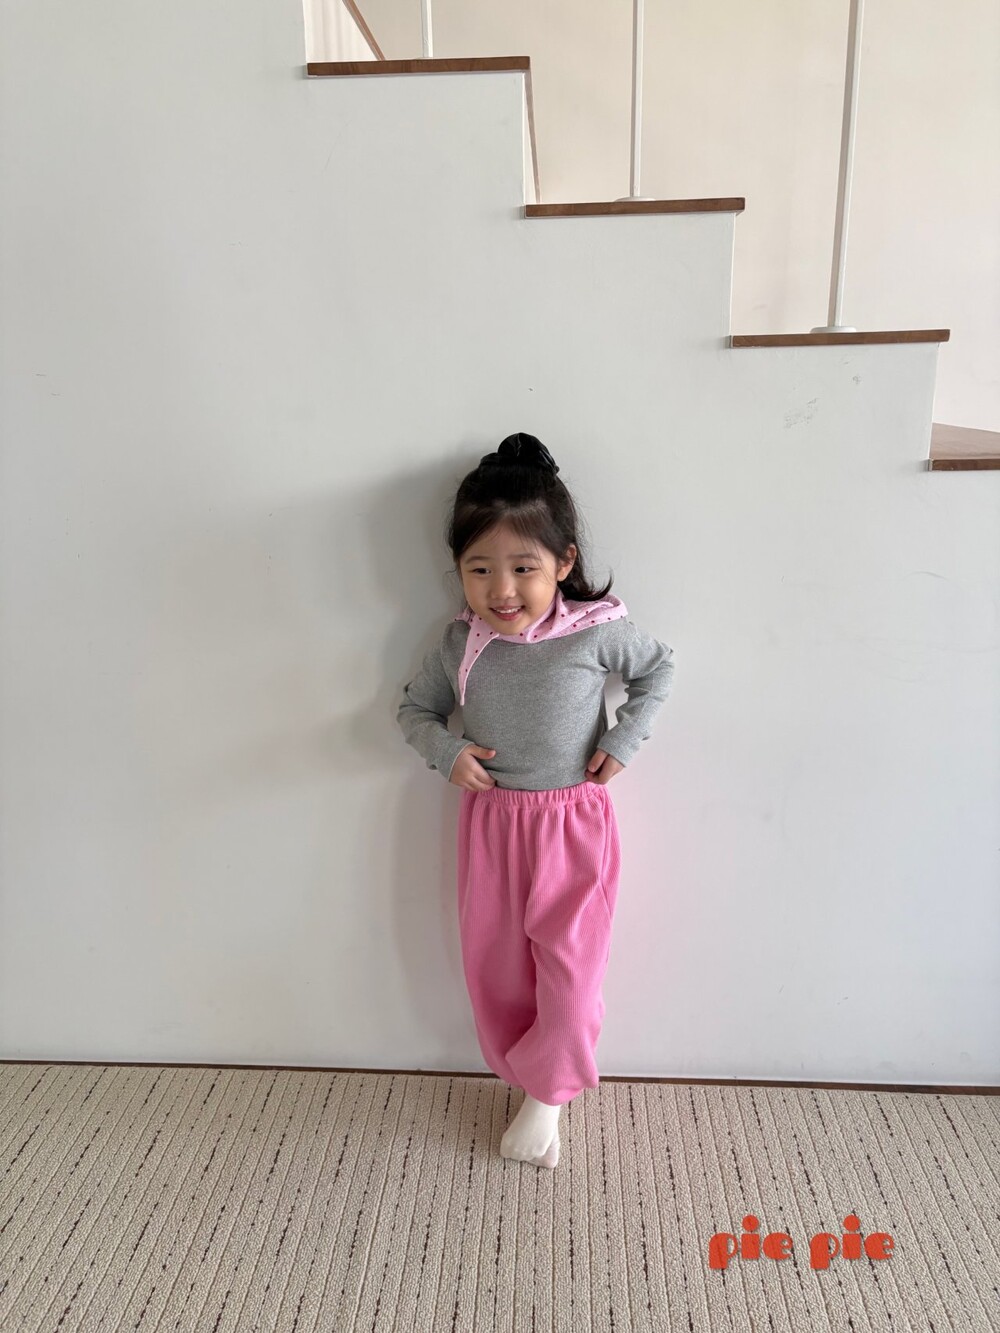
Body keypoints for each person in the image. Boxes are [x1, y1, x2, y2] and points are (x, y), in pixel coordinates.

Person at [397, 432, 675, 1169]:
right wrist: (446, 752)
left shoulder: (594, 633)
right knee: (496, 970)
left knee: (571, 974)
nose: (503, 590)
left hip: (573, 825)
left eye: (524, 568)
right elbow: (415, 710)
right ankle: (526, 1077)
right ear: (458, 571)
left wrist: (625, 738)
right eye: (479, 569)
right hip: (492, 827)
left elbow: (658, 670)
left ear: (564, 563)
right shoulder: (460, 645)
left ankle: (548, 1094)